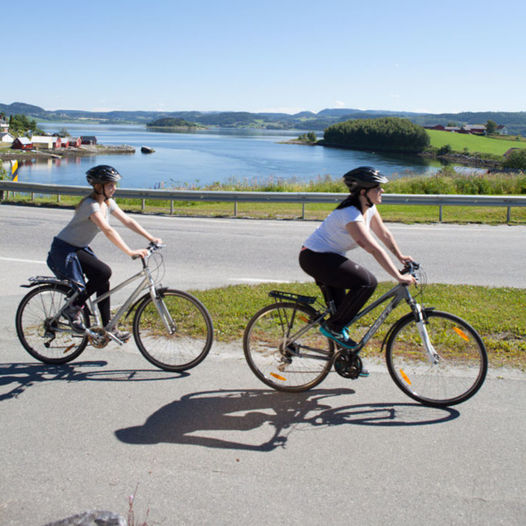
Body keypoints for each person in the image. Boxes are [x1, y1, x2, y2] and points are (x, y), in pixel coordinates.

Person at [299, 166, 415, 353]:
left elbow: (383, 234)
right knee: (366, 282)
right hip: (315, 257)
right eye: (377, 188)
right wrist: (398, 276)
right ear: (364, 192)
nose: (382, 190)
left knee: (342, 314)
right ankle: (333, 328)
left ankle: (346, 359)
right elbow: (372, 248)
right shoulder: (350, 214)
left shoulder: (369, 207)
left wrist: (400, 256)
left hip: (330, 257)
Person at [46, 165, 162, 341]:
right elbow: (107, 230)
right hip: (64, 249)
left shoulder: (107, 203)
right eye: (110, 185)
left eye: (114, 185)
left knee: (103, 280)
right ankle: (73, 308)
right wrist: (130, 251)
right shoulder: (90, 205)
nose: (114, 188)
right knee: (103, 273)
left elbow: (128, 221)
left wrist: (152, 238)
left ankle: (109, 327)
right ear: (98, 186)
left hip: (79, 247)